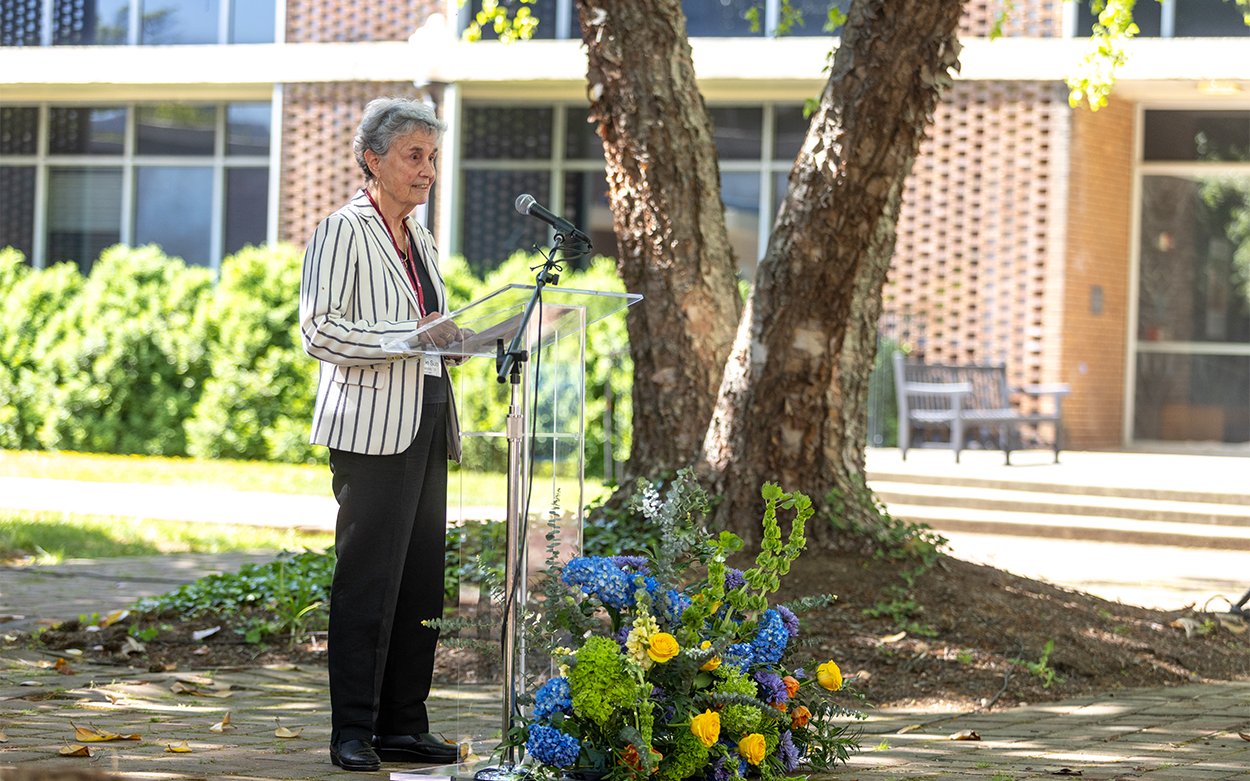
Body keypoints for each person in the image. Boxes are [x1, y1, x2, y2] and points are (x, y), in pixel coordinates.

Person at [299, 96, 463, 772]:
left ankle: (403, 724)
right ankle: (353, 731)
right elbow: (320, 330)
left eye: (431, 156)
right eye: (414, 156)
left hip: (427, 418)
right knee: (368, 584)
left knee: (421, 583)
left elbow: (431, 321)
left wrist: (459, 337)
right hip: (371, 432)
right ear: (373, 159)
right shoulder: (344, 230)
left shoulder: (417, 236)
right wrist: (410, 338)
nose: (427, 170)